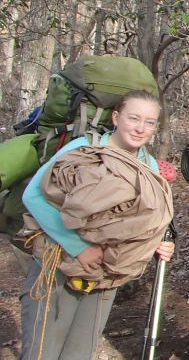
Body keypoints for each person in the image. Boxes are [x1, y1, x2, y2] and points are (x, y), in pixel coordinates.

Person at [19, 89, 176, 360]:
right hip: (58, 267)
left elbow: (144, 220)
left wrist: (157, 244)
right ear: (116, 117)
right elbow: (33, 196)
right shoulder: (84, 148)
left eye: (149, 122)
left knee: (79, 353)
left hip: (106, 275)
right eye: (134, 118)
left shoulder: (149, 165)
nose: (141, 128)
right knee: (41, 352)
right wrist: (78, 247)